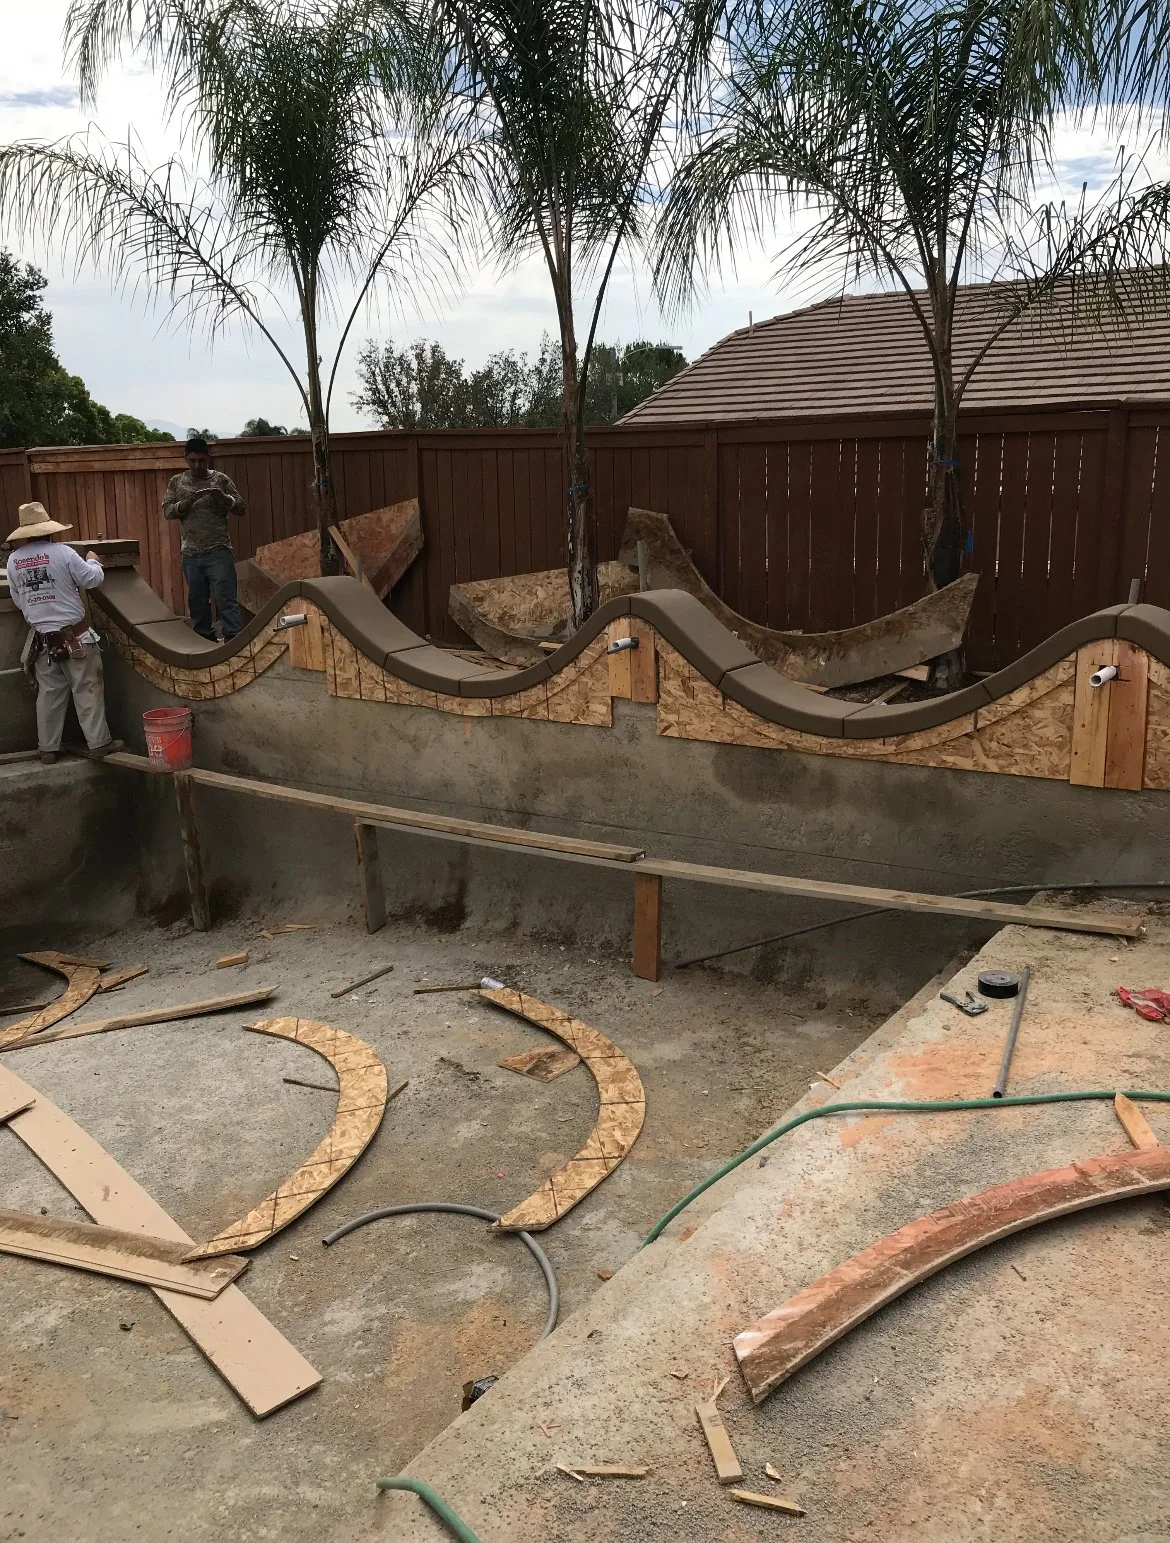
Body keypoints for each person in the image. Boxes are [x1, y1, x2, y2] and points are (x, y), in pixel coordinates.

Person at [4, 501, 124, 765]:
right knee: (87, 689)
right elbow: (91, 580)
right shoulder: (64, 553)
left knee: (49, 694)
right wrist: (93, 561)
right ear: (49, 530)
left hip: (42, 641)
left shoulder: (14, 561)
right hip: (75, 638)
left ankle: (47, 748)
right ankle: (99, 742)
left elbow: (17, 599)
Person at [163, 436, 247, 641]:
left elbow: (241, 507)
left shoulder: (220, 480)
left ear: (208, 458)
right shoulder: (177, 482)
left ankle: (233, 640)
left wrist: (224, 498)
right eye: (193, 461)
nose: (197, 465)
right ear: (186, 459)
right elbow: (167, 511)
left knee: (226, 599)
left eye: (201, 460)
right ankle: (203, 641)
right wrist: (186, 503)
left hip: (218, 551)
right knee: (198, 601)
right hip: (191, 554)